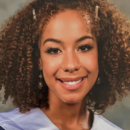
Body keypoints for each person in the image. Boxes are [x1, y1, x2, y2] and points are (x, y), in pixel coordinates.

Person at [0, 0, 130, 129]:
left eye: (84, 48)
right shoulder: (8, 126)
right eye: (54, 50)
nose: (70, 65)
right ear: (38, 60)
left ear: (101, 54)